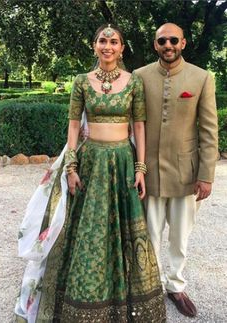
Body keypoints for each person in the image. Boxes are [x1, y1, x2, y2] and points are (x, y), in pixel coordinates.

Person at [15, 24, 166, 322]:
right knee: (86, 230)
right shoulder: (82, 81)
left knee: (124, 231)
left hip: (123, 161)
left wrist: (140, 167)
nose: (107, 46)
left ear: (122, 48)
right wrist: (71, 166)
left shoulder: (133, 82)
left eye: (114, 41)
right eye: (102, 41)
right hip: (90, 161)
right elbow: (73, 125)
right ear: (94, 46)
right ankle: (79, 298)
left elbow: (139, 126)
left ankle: (123, 301)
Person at [135, 23, 218, 318]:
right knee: (150, 235)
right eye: (162, 40)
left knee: (180, 237)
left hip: (186, 173)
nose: (167, 44)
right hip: (150, 173)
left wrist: (206, 174)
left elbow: (208, 129)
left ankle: (176, 285)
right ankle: (150, 287)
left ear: (183, 42)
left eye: (173, 40)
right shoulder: (140, 76)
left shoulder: (201, 77)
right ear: (155, 44)